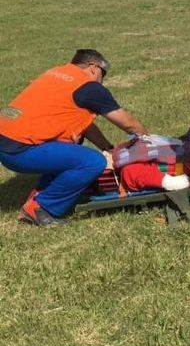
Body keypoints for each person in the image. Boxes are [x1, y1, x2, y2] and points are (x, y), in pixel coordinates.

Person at [0, 49, 148, 225]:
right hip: (21, 150)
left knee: (74, 140)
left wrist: (108, 147)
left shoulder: (57, 73)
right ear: (94, 67)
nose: (103, 80)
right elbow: (128, 123)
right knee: (93, 162)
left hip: (6, 140)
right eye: (103, 74)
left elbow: (83, 124)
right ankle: (41, 208)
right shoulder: (89, 86)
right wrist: (148, 140)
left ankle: (42, 192)